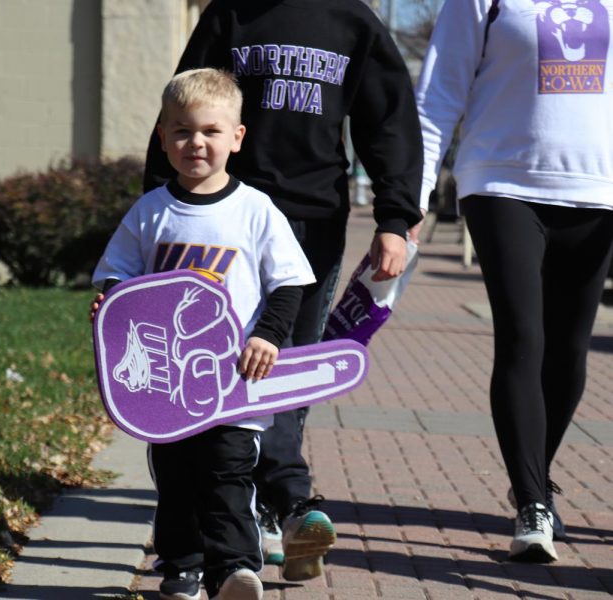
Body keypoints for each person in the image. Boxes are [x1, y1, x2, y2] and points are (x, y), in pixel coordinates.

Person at [143, 0, 424, 574]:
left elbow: (388, 120)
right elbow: (182, 103)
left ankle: (275, 504)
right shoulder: (233, 13)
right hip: (226, 216)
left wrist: (395, 219)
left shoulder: (354, 20)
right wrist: (160, 204)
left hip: (312, 217)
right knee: (211, 356)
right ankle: (280, 502)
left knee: (285, 358)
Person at [90, 68, 318, 600]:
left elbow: (289, 284)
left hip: (235, 379)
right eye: (182, 130)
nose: (197, 142)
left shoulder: (255, 210)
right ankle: (184, 566)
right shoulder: (150, 212)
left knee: (227, 474)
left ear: (237, 138)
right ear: (163, 137)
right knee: (175, 481)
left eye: (211, 132)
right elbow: (116, 274)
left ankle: (235, 570)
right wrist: (109, 302)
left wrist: (267, 337)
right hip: (165, 383)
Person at [416, 0, 613, 563]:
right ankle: (532, 501)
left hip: (598, 190)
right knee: (524, 337)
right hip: (503, 180)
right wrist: (416, 191)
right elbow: (439, 88)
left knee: (570, 350)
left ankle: (535, 476)